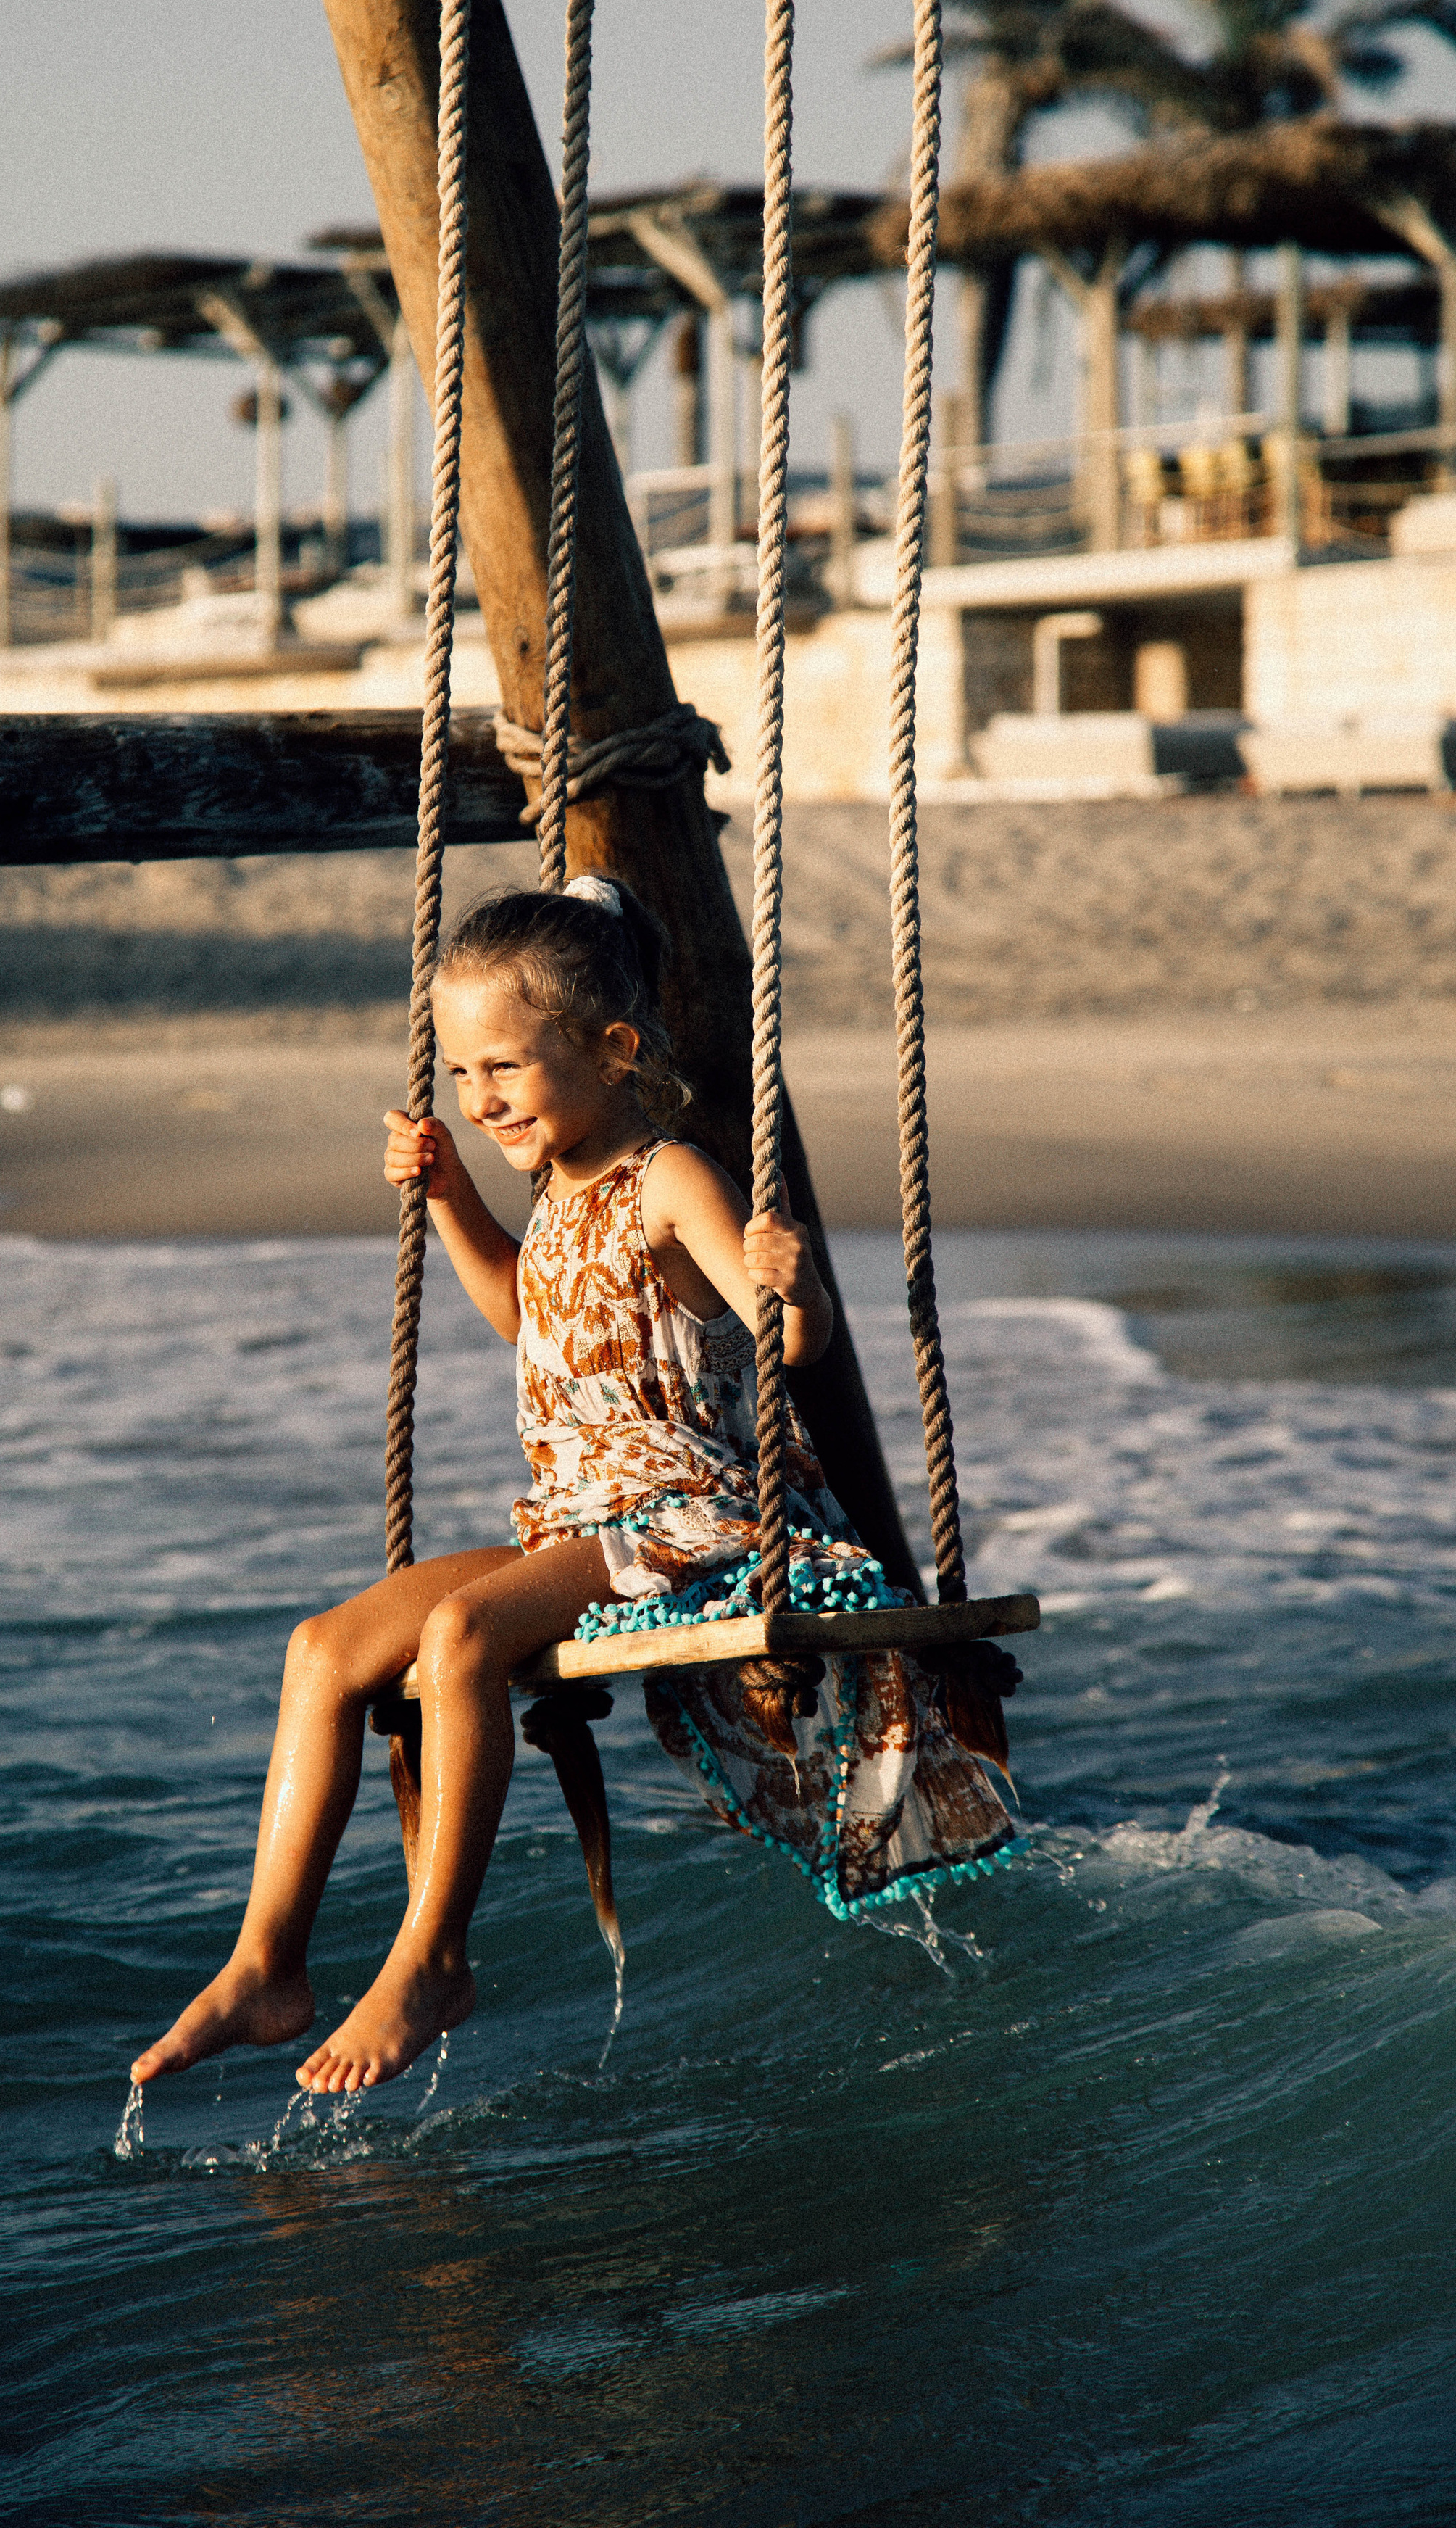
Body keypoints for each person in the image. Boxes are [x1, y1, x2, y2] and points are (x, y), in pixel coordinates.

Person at [132, 873, 906, 2097]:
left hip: (692, 1515)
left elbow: (787, 1343)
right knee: (323, 1649)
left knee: (460, 1638)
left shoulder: (671, 1179)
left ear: (612, 1050)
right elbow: (520, 1313)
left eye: (507, 1069)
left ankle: (433, 1959)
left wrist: (795, 1285)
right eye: (460, 1077)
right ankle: (265, 1963)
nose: (481, 1099)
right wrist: (450, 1195)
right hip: (578, 1521)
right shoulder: (552, 1188)